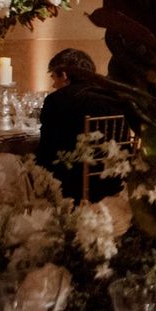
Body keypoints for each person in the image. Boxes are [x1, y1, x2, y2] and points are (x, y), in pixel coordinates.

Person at [36, 48, 125, 202]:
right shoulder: (115, 96)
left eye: (53, 78)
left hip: (72, 186)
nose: (53, 85)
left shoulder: (56, 100)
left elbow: (47, 149)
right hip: (114, 181)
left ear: (64, 75)